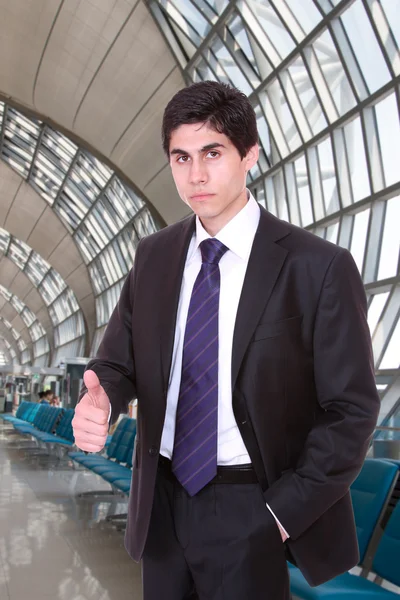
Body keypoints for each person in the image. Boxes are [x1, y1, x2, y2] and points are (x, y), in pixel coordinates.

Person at [72, 81, 380, 600]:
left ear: (249, 155)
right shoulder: (154, 258)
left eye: (212, 153)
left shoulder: (317, 267)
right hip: (162, 501)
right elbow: (118, 363)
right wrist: (99, 397)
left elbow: (351, 410)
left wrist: (282, 513)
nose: (195, 175)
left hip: (252, 506)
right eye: (181, 157)